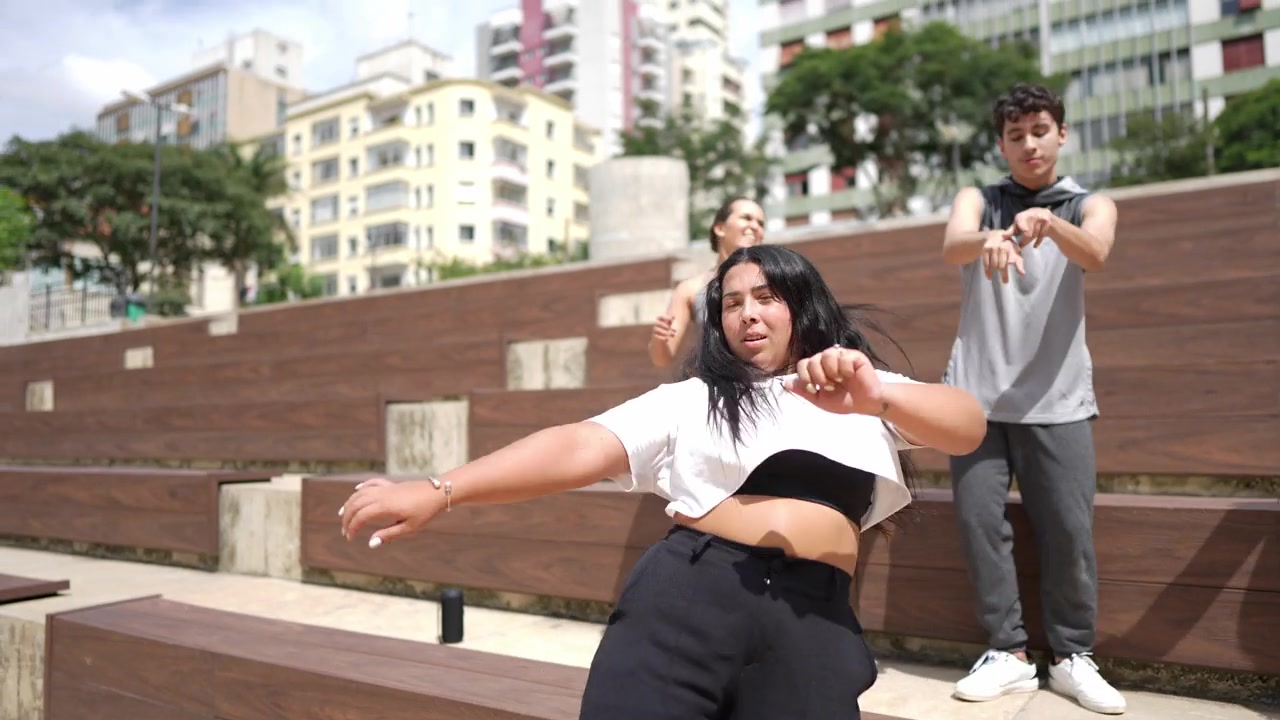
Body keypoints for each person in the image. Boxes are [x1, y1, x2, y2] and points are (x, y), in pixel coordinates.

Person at [340, 245, 987, 720]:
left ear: (803, 305)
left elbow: (967, 425)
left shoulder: (861, 386)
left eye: (767, 297)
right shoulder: (694, 397)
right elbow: (579, 444)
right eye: (731, 303)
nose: (748, 314)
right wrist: (441, 490)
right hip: (691, 593)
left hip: (812, 617)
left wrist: (876, 399)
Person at [940, 83, 1123, 715]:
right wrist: (988, 238)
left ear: (1061, 134)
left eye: (1039, 131)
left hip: (1058, 398)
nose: (1029, 144)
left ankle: (1073, 656)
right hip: (976, 399)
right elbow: (953, 244)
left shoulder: (1089, 203)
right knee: (979, 525)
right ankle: (1008, 655)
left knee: (1069, 532)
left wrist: (1048, 223)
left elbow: (1097, 252)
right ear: (1002, 144)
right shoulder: (979, 199)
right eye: (1015, 136)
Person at [649, 197, 766, 369]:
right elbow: (662, 359)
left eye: (760, 223)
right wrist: (659, 339)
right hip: (718, 382)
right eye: (746, 218)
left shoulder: (775, 279)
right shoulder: (690, 289)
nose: (755, 226)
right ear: (720, 228)